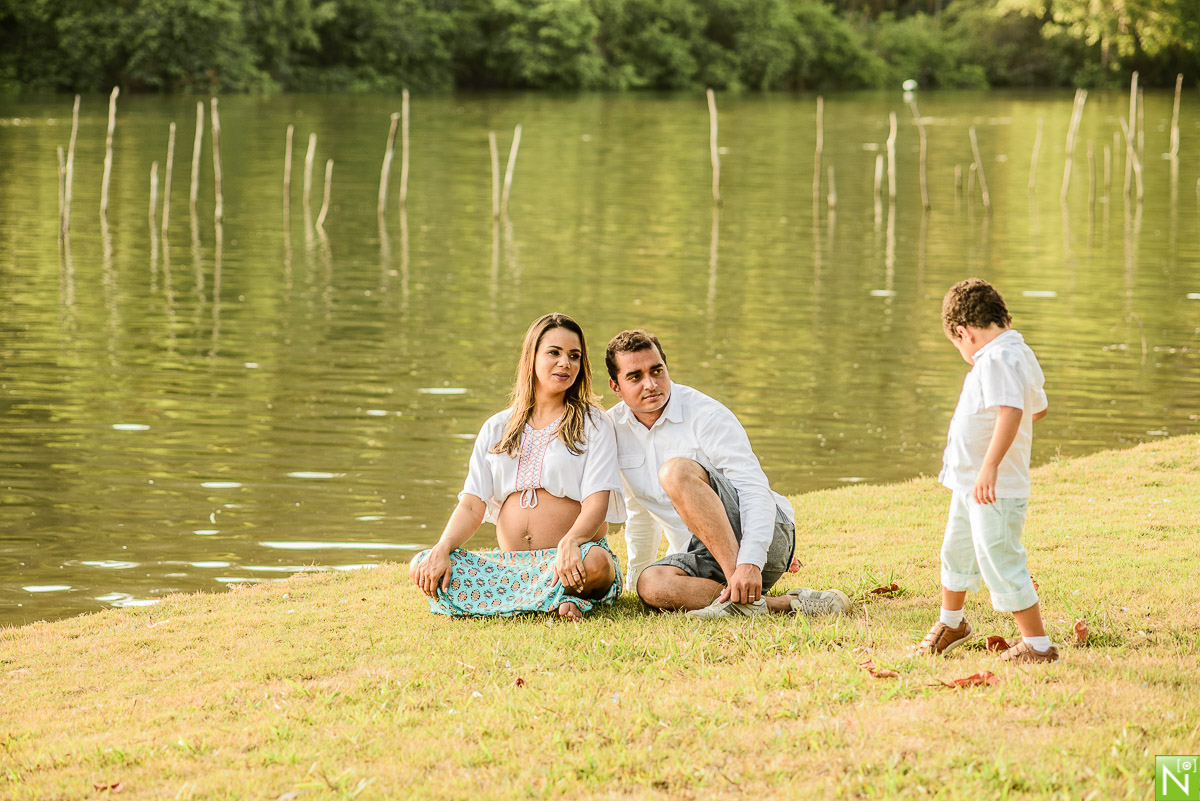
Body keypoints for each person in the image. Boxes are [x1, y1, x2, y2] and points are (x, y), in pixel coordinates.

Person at [603, 329, 850, 618]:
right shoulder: (613, 429)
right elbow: (640, 511)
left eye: (657, 371)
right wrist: (634, 582)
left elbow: (753, 488)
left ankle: (738, 584)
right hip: (701, 554)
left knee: (675, 472)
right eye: (635, 377)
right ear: (615, 386)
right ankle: (785, 605)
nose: (651, 384)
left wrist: (750, 562)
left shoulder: (705, 414)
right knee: (651, 583)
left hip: (764, 536)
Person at [410, 313, 624, 620]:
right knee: (422, 563)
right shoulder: (497, 427)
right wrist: (443, 547)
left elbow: (597, 503)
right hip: (513, 566)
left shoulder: (594, 423)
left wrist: (572, 541)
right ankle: (555, 599)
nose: (565, 363)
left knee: (598, 566)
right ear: (531, 357)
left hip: (574, 557)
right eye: (554, 352)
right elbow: (472, 505)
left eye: (574, 356)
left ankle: (538, 596)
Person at [916, 278, 1056, 662]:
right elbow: (1037, 408)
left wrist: (991, 465)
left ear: (964, 333)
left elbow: (1013, 409)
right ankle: (953, 621)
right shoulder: (1016, 351)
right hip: (971, 483)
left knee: (999, 556)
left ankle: (1037, 645)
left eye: (957, 343)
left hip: (993, 484)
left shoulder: (996, 359)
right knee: (956, 550)